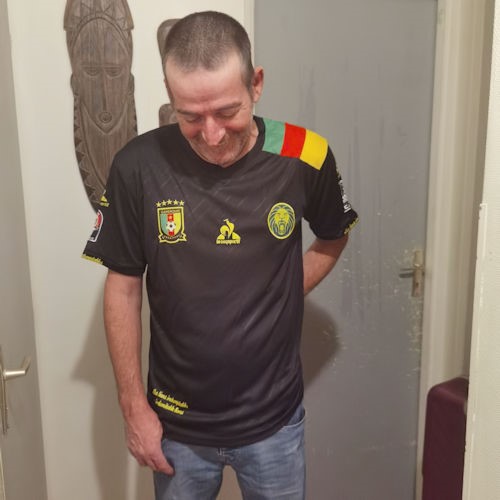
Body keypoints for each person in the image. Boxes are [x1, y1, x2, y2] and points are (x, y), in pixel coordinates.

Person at [83, 10, 358, 500]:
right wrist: (133, 407)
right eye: (190, 116)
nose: (212, 135)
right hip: (176, 427)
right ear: (171, 96)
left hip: (274, 424)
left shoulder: (306, 154)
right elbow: (122, 288)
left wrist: (283, 289)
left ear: (256, 84)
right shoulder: (137, 166)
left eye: (228, 112)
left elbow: (333, 235)